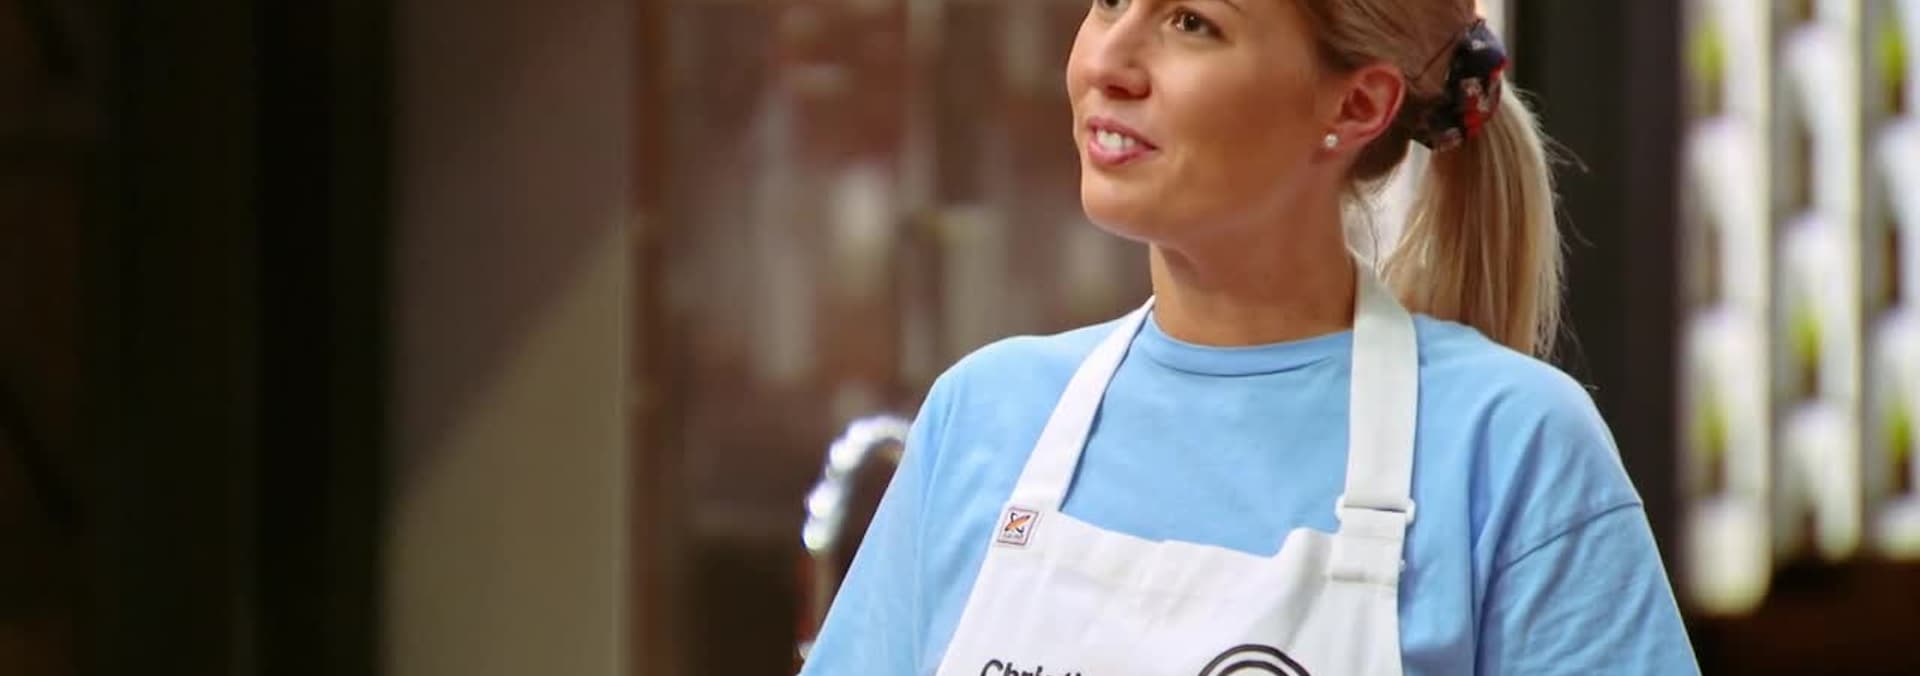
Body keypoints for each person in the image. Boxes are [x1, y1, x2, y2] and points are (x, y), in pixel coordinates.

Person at [801, 0, 1700, 674]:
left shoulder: (1509, 445)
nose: (1109, 62)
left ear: (1357, 105)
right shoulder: (985, 416)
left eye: (1192, 22)